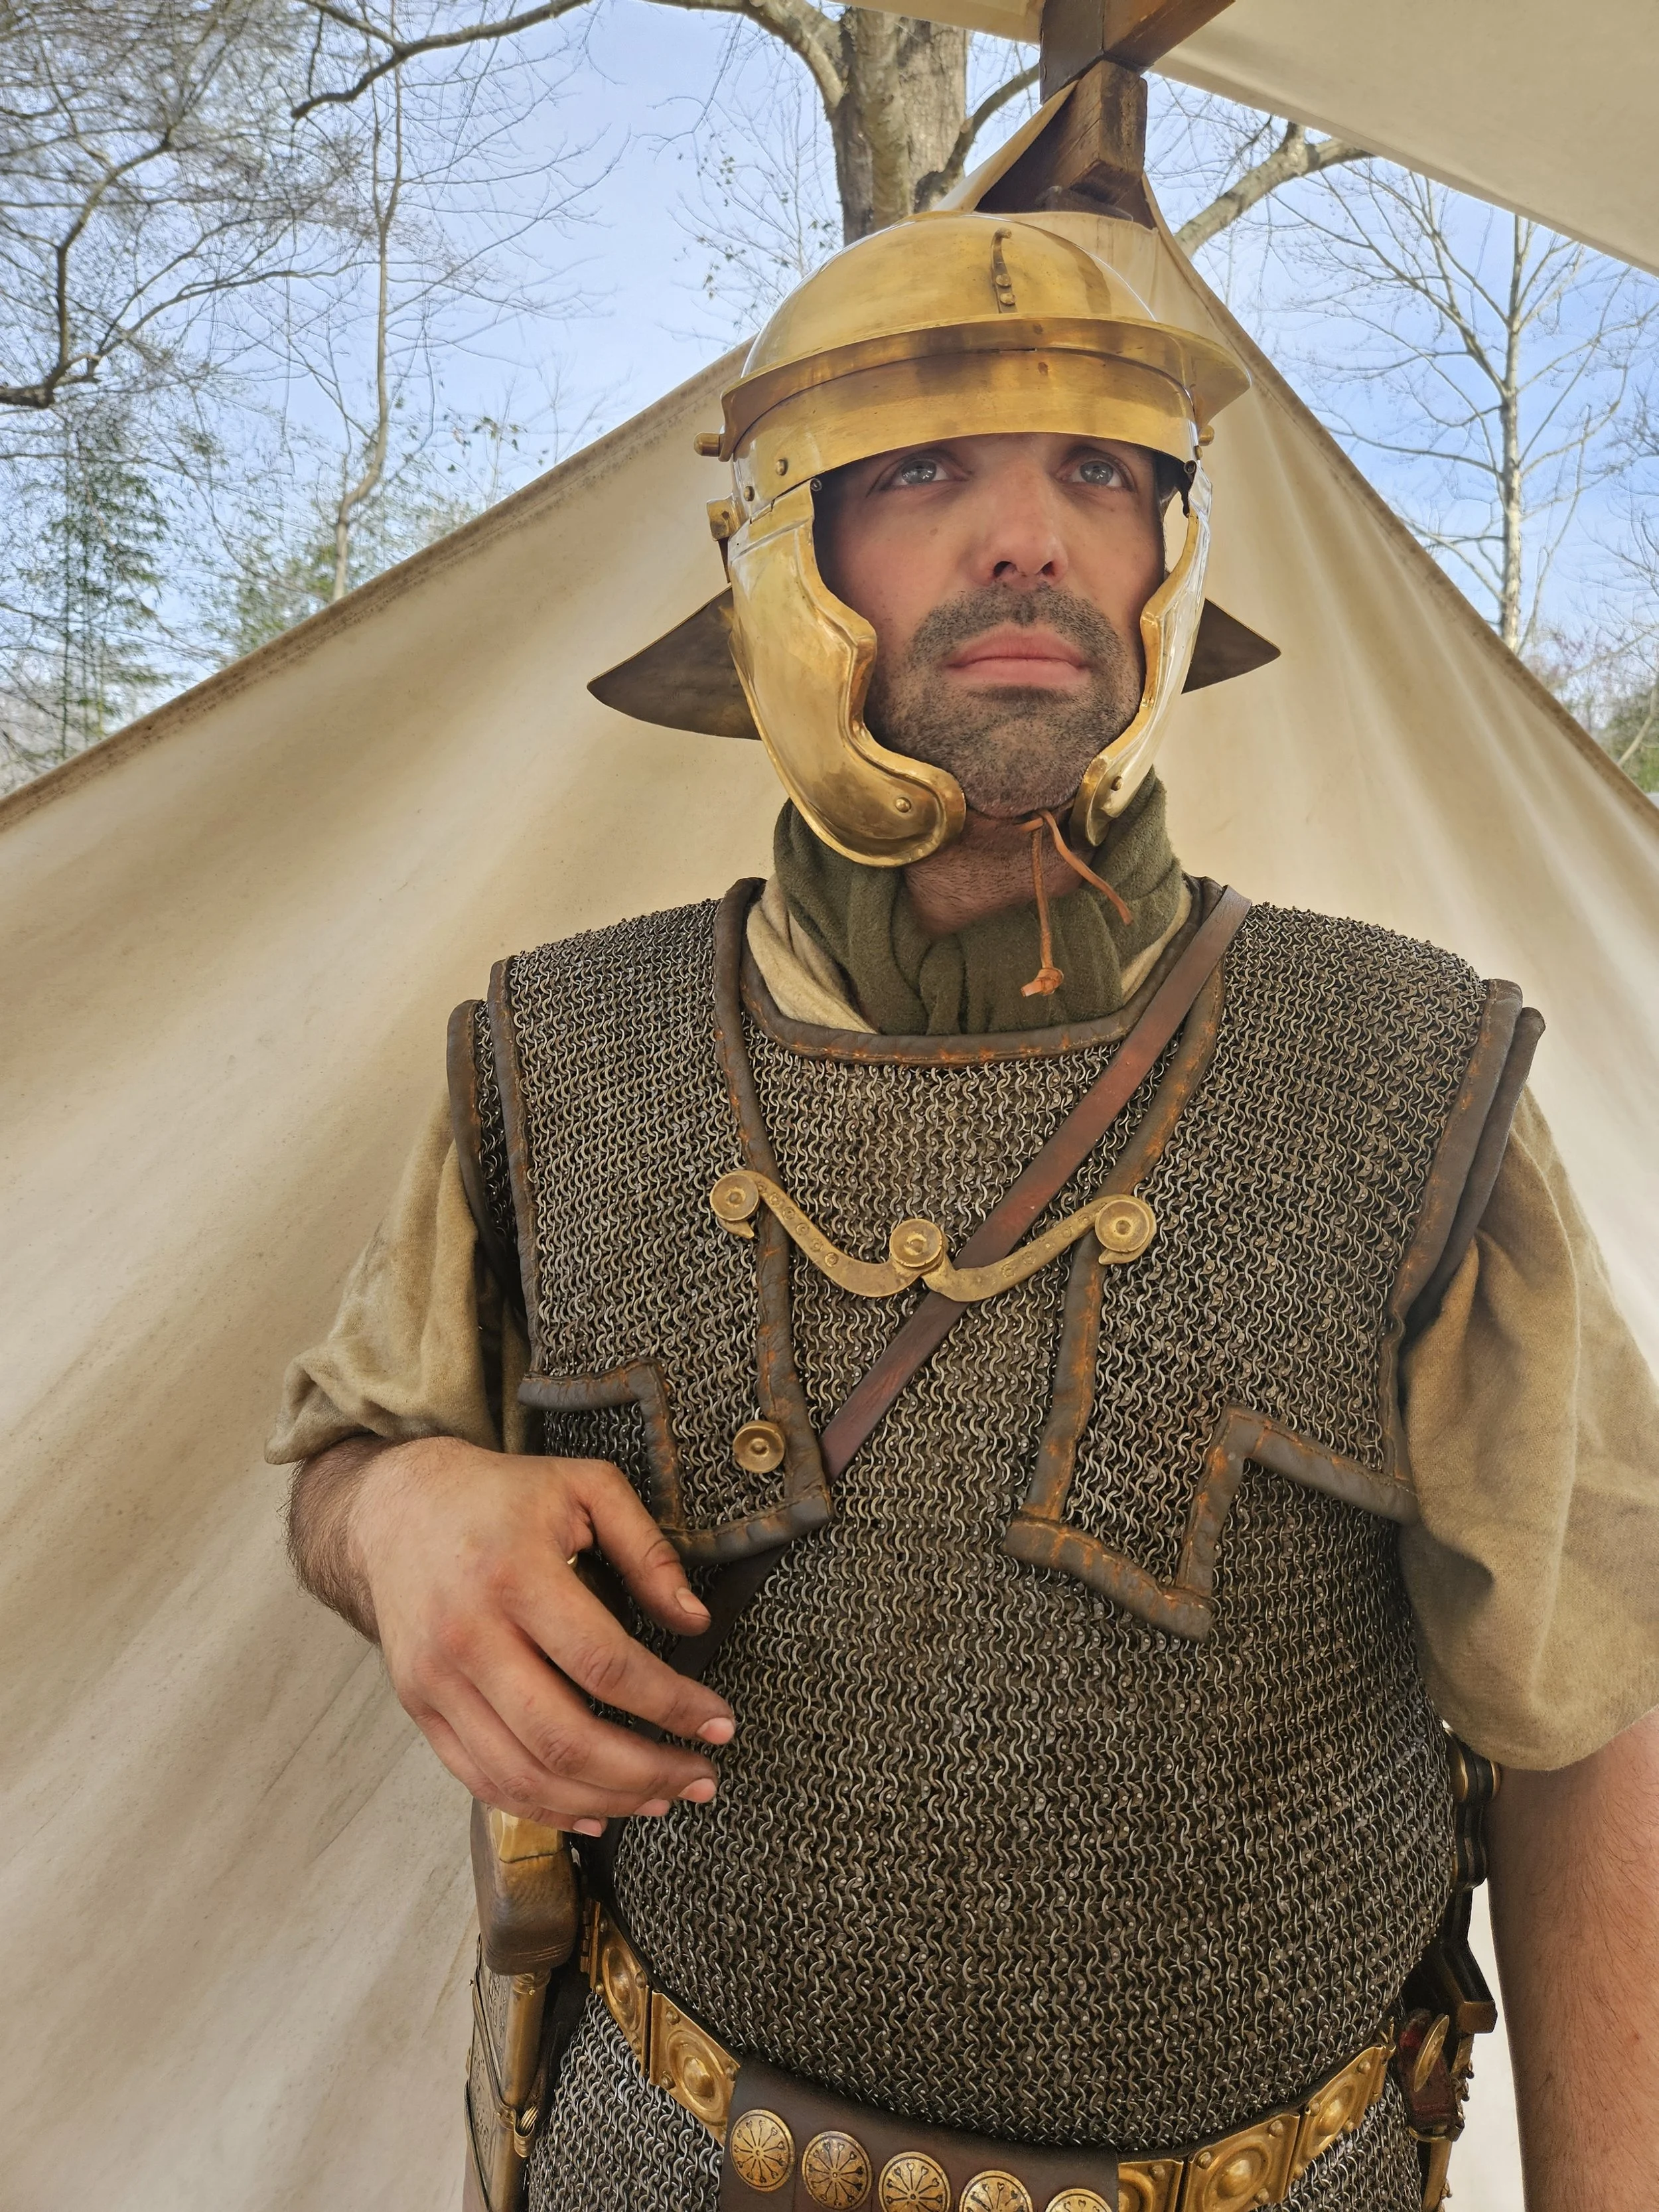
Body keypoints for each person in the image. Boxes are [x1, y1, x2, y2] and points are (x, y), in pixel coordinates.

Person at [269, 212, 1659, 2212]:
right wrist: (391, 1512)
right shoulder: (554, 1060)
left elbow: (1588, 1703)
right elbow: (343, 1451)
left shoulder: (1403, 1076)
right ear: (778, 557)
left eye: (1101, 471)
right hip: (670, 2155)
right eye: (922, 470)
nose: (1029, 538)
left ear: (1166, 560)